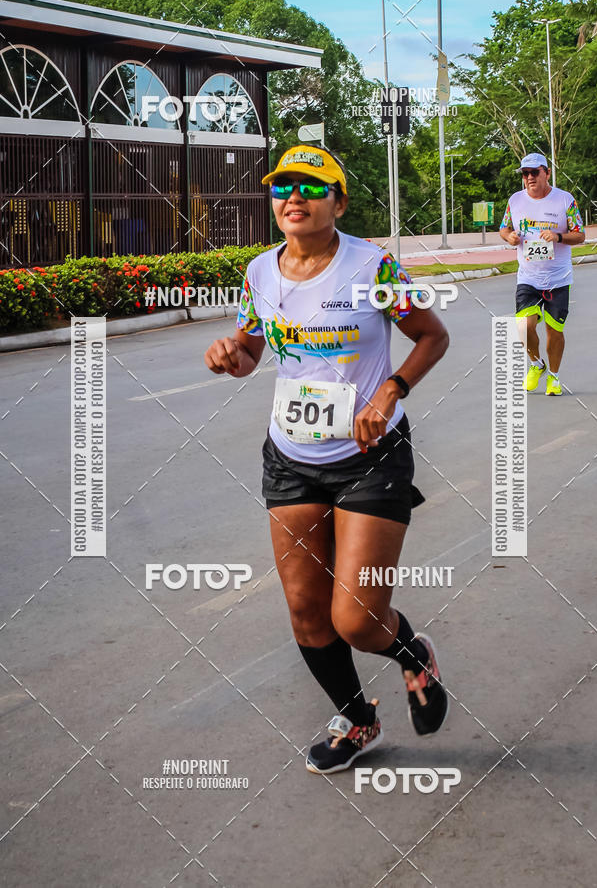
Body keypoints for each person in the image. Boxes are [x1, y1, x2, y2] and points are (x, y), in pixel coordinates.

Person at [204, 144, 450, 774]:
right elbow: (255, 349)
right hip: (290, 457)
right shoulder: (260, 272)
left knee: (358, 619)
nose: (294, 198)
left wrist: (390, 390)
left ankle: (412, 654)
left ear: (338, 202)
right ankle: (359, 720)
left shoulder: (373, 267)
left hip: (371, 455)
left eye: (311, 189)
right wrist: (234, 352)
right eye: (283, 187)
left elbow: (432, 335)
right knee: (308, 613)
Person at [499, 152, 585, 396]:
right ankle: (537, 364)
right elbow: (504, 228)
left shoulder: (564, 200)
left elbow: (579, 234)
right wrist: (509, 237)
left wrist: (558, 236)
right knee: (524, 326)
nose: (529, 178)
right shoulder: (515, 201)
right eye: (525, 174)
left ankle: (554, 378)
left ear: (546, 173)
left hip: (558, 278)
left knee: (553, 330)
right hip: (528, 276)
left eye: (534, 172)